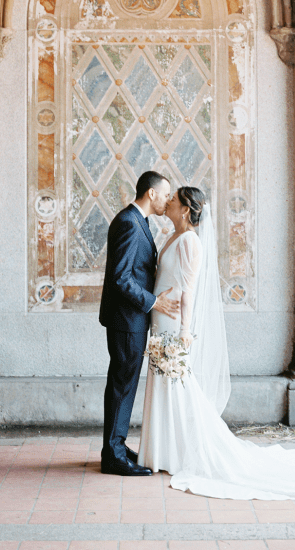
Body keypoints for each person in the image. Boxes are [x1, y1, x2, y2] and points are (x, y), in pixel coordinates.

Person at [138, 186, 295, 500]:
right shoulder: (172, 236)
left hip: (174, 324)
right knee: (163, 384)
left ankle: (181, 450)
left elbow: (189, 290)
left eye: (173, 199)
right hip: (160, 320)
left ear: (186, 210)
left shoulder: (190, 242)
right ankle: (162, 450)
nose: (168, 201)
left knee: (177, 385)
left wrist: (186, 331)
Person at [99, 170, 180, 476]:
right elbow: (120, 278)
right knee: (121, 386)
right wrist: (153, 301)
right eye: (165, 193)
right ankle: (113, 456)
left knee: (124, 385)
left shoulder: (137, 221)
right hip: (126, 321)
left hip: (130, 320)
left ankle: (115, 448)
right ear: (151, 193)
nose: (167, 200)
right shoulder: (129, 223)